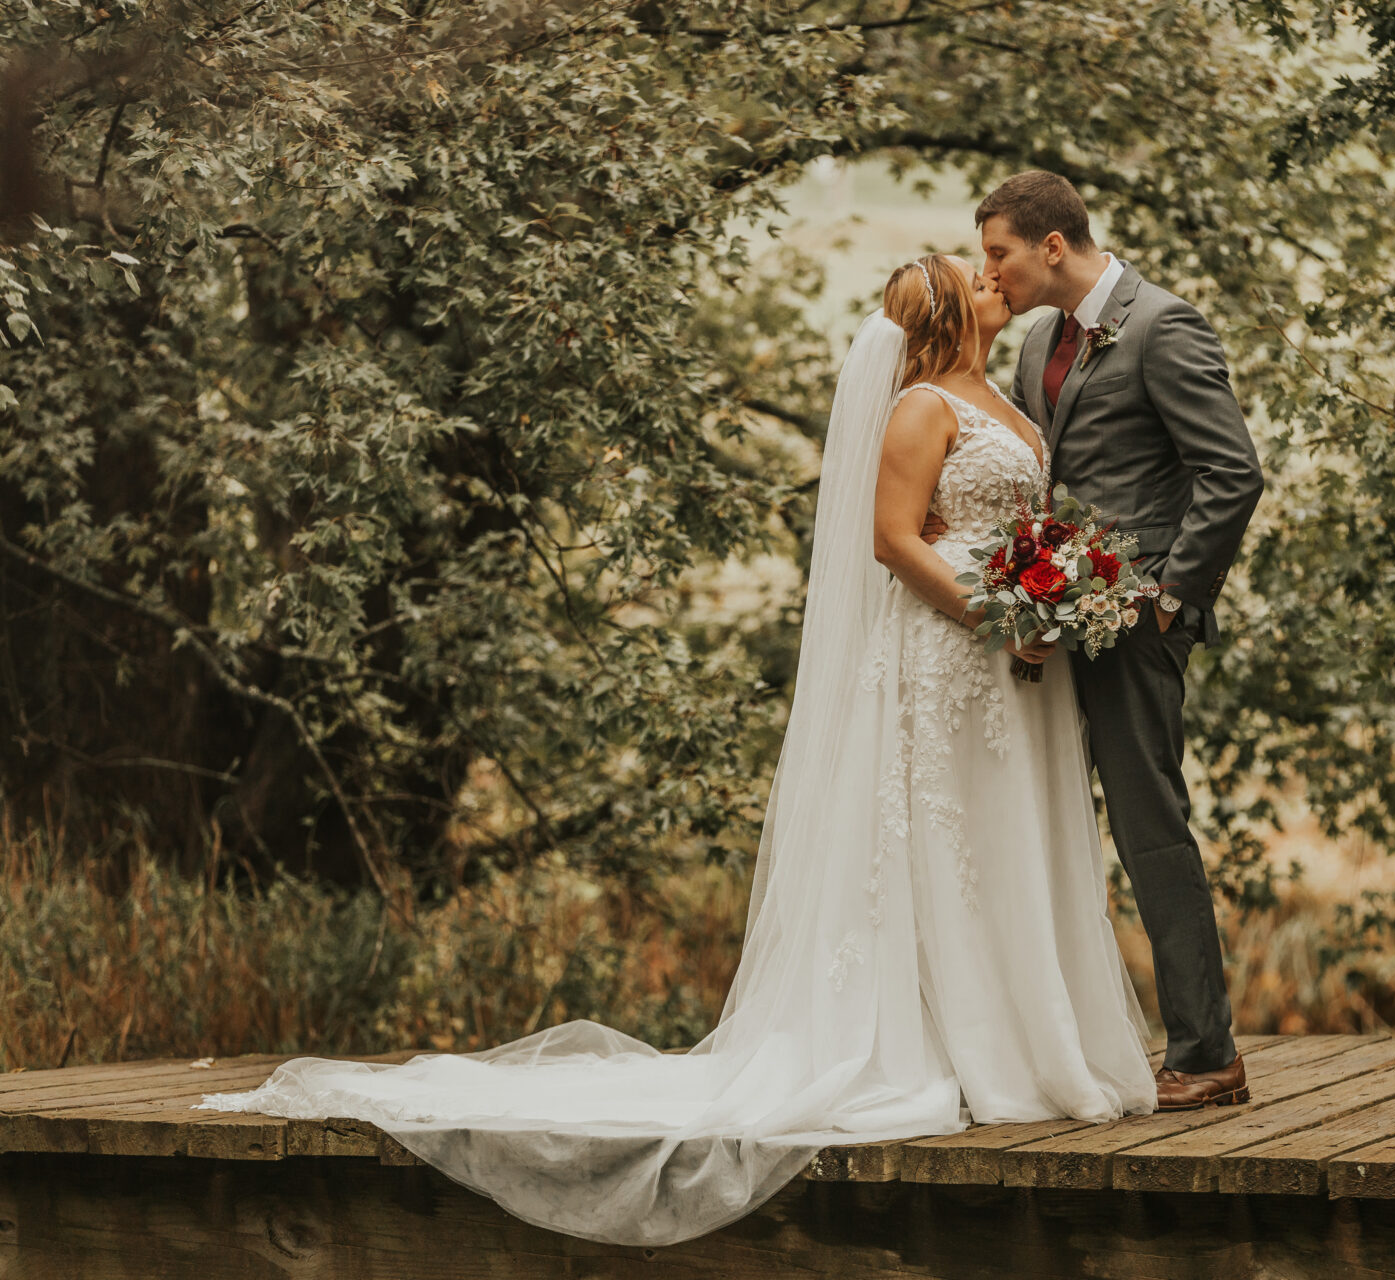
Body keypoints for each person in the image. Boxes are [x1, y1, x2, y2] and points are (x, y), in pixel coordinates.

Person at [197, 252, 1156, 1247]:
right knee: (935, 843)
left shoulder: (996, 394)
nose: (996, 274)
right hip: (945, 646)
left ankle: (1021, 1030)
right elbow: (889, 537)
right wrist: (989, 613)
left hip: (1006, 655)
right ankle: (961, 1045)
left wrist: (1049, 591)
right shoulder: (920, 407)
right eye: (980, 273)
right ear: (957, 309)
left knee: (1001, 836)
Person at [974, 169, 1266, 1110]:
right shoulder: (1037, 342)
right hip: (1055, 621)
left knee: (1150, 827)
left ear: (1051, 246)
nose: (993, 272)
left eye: (999, 253)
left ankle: (1207, 1052)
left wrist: (1170, 600)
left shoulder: (1161, 326)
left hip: (1136, 625)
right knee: (1050, 825)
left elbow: (1231, 474)